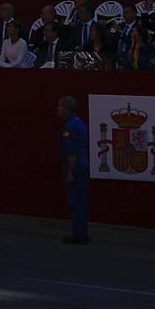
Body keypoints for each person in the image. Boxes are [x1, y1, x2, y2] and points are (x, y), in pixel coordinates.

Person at [58, 96, 89, 244]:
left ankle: (79, 234)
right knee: (81, 200)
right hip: (82, 164)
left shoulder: (69, 126)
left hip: (76, 167)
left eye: (59, 106)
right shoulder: (80, 124)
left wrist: (69, 171)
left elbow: (71, 151)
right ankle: (81, 232)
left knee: (76, 201)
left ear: (66, 107)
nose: (58, 109)